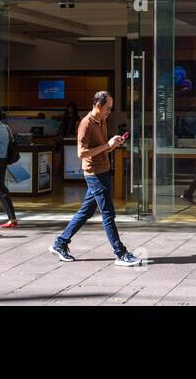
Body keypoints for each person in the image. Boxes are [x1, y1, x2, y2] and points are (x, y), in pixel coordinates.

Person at [50, 91, 140, 266]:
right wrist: (107, 145)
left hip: (103, 170)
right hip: (94, 173)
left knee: (86, 211)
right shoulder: (85, 124)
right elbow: (81, 153)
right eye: (108, 108)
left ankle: (60, 243)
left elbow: (101, 148)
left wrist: (112, 145)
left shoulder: (102, 120)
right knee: (108, 213)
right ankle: (120, 253)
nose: (109, 112)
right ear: (98, 105)